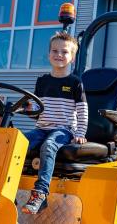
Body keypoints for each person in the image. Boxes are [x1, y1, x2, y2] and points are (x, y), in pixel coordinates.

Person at [21, 32, 88, 215]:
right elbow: (37, 109)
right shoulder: (42, 81)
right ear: (49, 54)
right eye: (55, 51)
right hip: (41, 128)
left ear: (72, 58)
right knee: (17, 142)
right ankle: (8, 186)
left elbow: (82, 110)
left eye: (64, 52)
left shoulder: (75, 83)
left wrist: (80, 133)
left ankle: (40, 193)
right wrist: (27, 107)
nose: (59, 55)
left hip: (63, 129)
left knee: (49, 146)